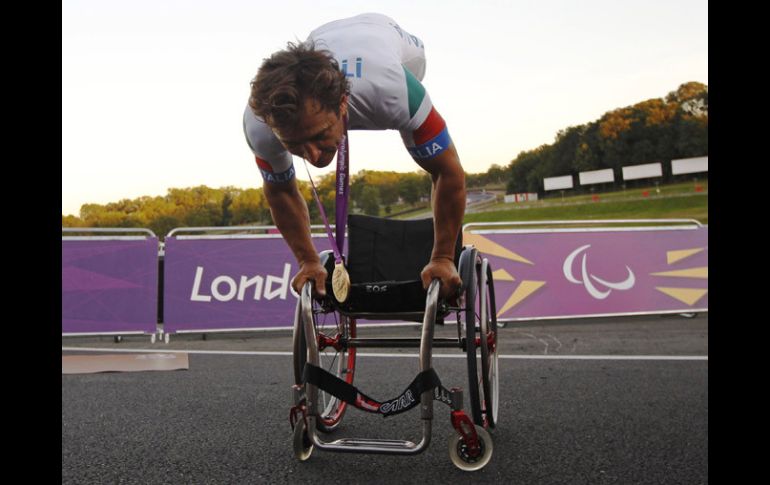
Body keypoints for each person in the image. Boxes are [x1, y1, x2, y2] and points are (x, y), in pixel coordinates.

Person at [243, 13, 465, 299]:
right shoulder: (259, 125)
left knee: (419, 122)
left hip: (383, 37)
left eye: (320, 135)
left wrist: (443, 258)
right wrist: (308, 261)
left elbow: (447, 171)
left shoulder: (393, 91)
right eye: (294, 145)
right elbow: (280, 192)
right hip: (321, 34)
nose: (312, 155)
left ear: (343, 103)